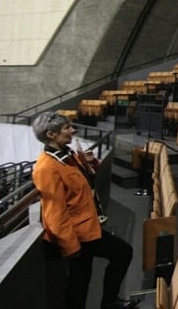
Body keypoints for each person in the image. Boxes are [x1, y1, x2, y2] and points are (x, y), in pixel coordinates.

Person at [31, 112, 139, 309]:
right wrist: (70, 247)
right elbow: (55, 213)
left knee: (79, 281)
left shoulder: (68, 154)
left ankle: (109, 302)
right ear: (51, 134)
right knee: (122, 253)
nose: (72, 130)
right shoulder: (46, 167)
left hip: (87, 227)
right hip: (78, 235)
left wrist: (90, 163)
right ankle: (109, 303)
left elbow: (83, 183)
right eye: (67, 128)